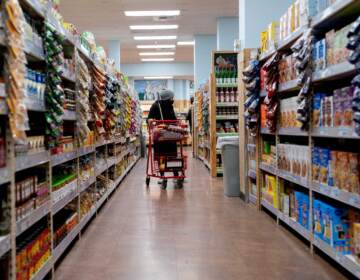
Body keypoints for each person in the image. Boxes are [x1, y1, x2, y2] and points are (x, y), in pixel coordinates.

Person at [147, 89, 182, 189]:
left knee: (162, 157)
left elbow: (149, 120)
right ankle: (173, 175)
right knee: (171, 156)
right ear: (167, 98)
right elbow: (149, 119)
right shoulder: (156, 106)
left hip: (162, 137)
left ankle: (164, 177)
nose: (172, 100)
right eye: (171, 98)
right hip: (167, 136)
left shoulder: (161, 105)